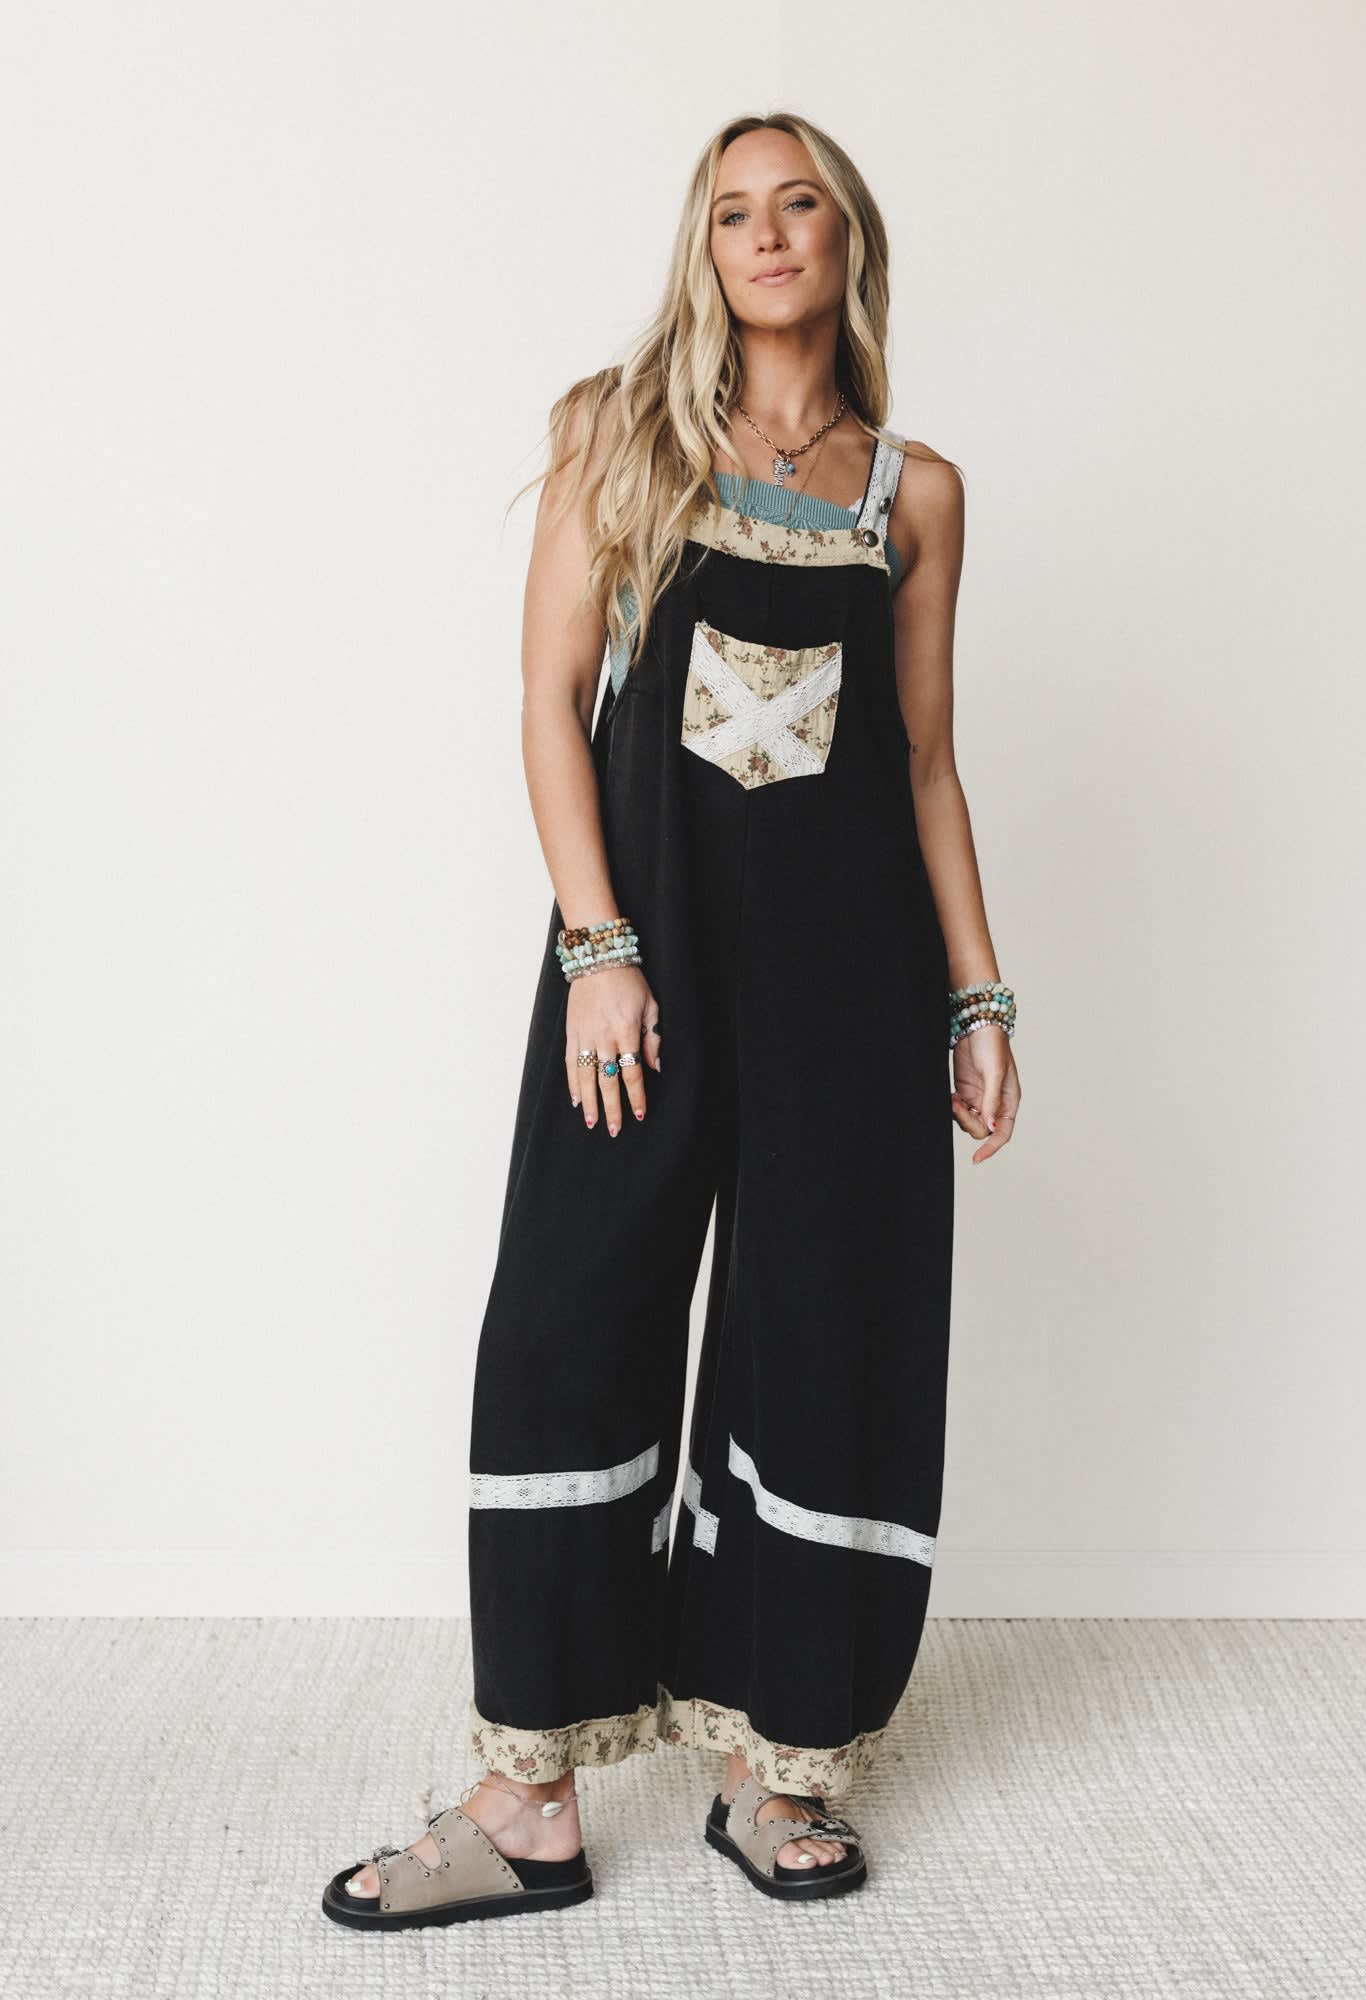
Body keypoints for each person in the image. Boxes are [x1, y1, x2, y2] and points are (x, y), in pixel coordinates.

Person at [322, 107, 1020, 1931]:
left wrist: (978, 994)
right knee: (571, 1320)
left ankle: (776, 1763)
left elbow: (926, 766)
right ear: (702, 249)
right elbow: (550, 703)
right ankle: (525, 1800)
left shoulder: (914, 494)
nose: (767, 234)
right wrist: (598, 948)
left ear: (848, 239)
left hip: (851, 993)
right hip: (645, 970)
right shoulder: (618, 432)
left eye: (799, 205)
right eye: (732, 213)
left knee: (823, 1344)